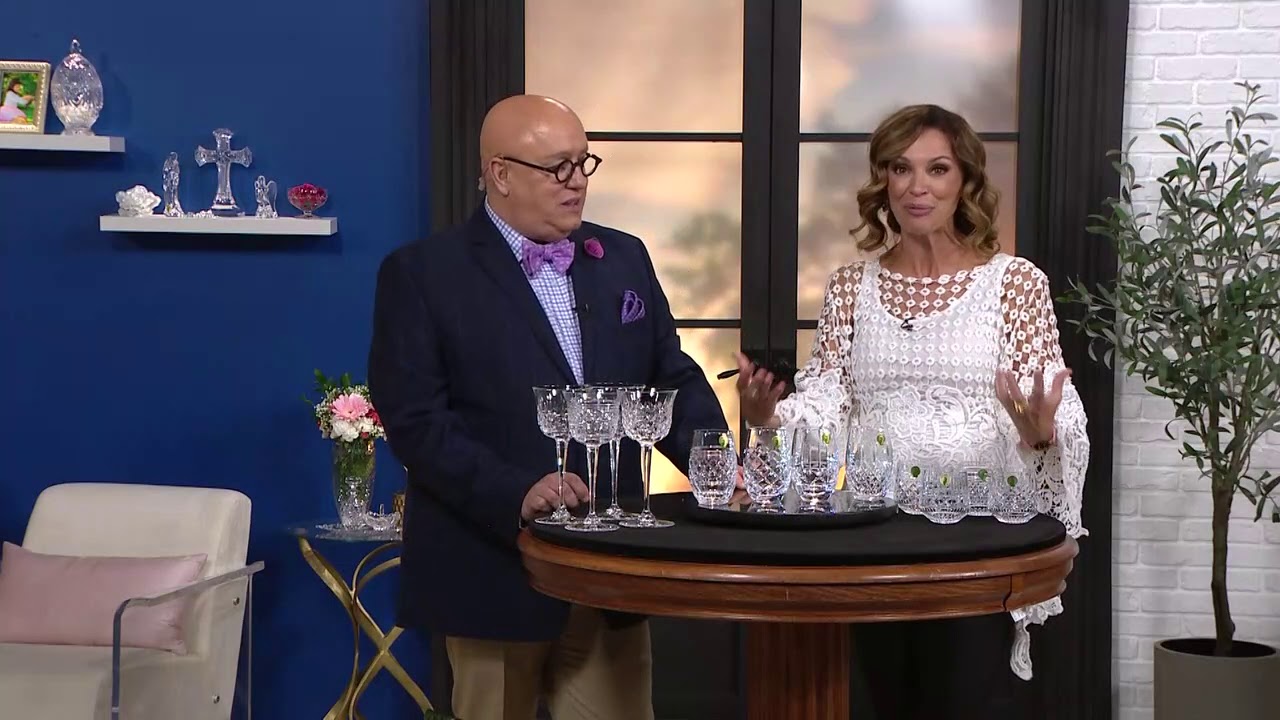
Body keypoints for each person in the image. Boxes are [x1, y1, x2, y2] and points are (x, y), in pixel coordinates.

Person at [368, 94, 728, 720]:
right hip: (491, 567)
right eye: (558, 167)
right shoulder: (423, 274)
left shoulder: (625, 257)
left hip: (609, 566)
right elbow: (415, 422)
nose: (576, 182)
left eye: (583, 163)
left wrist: (717, 464)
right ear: (500, 173)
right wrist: (515, 492)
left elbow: (669, 376)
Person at [734, 103, 1089, 719]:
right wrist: (770, 418)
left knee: (963, 703)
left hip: (978, 537)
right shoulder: (850, 285)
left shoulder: (1015, 283)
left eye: (937, 169)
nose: (916, 186)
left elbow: (1055, 405)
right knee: (885, 702)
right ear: (884, 181)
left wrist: (1040, 432)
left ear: (965, 181)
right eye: (900, 168)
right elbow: (827, 401)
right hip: (875, 535)